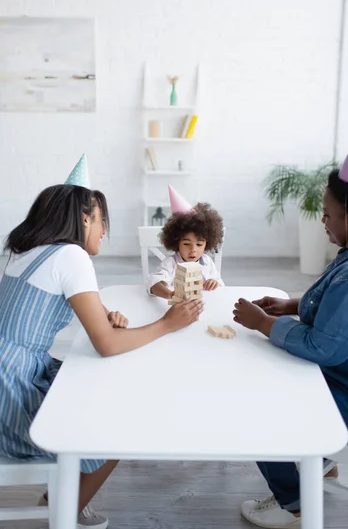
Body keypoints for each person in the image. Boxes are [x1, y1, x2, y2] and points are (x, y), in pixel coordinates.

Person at [0, 183, 202, 529]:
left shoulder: (28, 249)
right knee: (116, 425)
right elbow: (106, 345)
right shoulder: (70, 255)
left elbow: (66, 301)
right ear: (83, 219)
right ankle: (63, 511)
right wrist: (167, 323)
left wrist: (104, 313)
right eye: (101, 221)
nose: (105, 231)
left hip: (10, 366)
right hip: (11, 387)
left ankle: (62, 498)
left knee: (96, 389)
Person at [233, 128, 348, 528]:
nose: (321, 219)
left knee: (252, 407)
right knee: (266, 369)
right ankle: (318, 466)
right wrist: (292, 305)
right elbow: (345, 313)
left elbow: (323, 348)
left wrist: (264, 323)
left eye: (327, 213)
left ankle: (295, 502)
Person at [147, 185, 224, 299]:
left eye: (199, 244)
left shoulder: (207, 263)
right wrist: (169, 294)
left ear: (207, 243)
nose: (193, 249)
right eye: (187, 244)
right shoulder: (171, 264)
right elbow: (153, 283)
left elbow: (221, 287)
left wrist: (214, 283)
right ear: (176, 242)